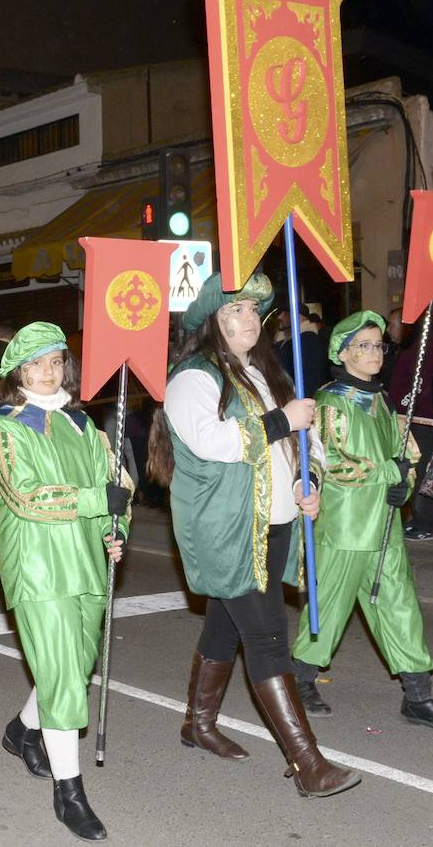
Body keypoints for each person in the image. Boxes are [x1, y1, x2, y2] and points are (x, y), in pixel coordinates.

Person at [150, 272, 360, 798]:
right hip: (228, 525)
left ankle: (197, 725)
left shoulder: (266, 372)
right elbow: (211, 442)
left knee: (225, 626)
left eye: (252, 311)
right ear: (211, 324)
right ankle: (307, 764)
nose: (248, 320)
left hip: (278, 521)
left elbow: (303, 441)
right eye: (234, 312)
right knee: (267, 637)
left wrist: (307, 479)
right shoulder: (192, 378)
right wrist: (281, 422)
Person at [290, 311, 433, 731]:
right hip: (345, 525)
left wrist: (404, 484)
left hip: (385, 524)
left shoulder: (384, 400)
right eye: (364, 346)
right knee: (330, 606)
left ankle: (419, 695)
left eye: (378, 345)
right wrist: (390, 472)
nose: (374, 353)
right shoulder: (331, 402)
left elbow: (406, 454)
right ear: (344, 353)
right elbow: (333, 463)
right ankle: (301, 679)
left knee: (399, 603)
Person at [0, 322, 128, 841]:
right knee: (65, 672)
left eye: (56, 361)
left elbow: (115, 485)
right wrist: (96, 502)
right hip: (38, 564)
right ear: (18, 372)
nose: (48, 372)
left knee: (72, 664)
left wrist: (117, 528)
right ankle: (70, 793)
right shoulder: (5, 428)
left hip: (87, 559)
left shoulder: (82, 425)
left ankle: (22, 730)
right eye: (36, 363)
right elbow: (24, 497)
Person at [390, 309, 433, 544]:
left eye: (394, 325)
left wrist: (404, 406)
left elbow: (421, 386)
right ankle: (418, 516)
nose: (390, 330)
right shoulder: (411, 351)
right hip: (412, 418)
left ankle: (426, 522)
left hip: (420, 420)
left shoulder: (424, 351)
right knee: (414, 469)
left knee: (423, 471)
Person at [276, 304, 328, 398]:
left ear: (297, 317)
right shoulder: (290, 340)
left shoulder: (307, 340)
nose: (280, 317)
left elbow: (311, 380)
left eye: (285, 314)